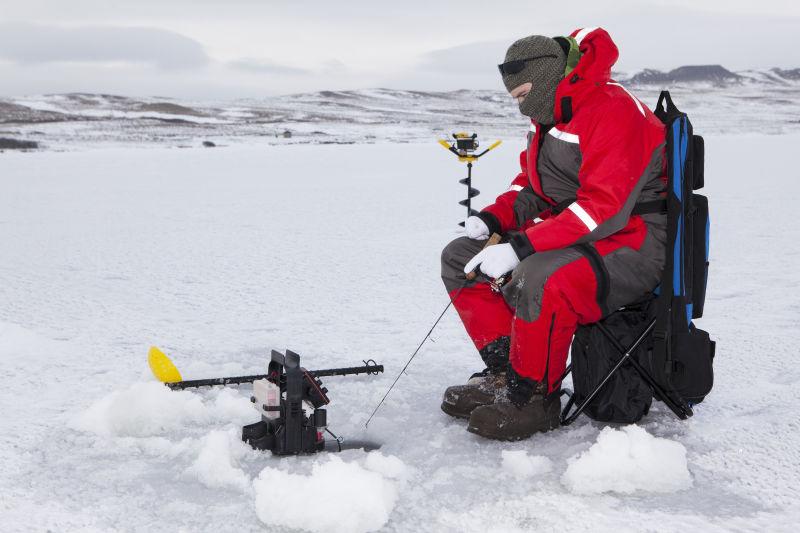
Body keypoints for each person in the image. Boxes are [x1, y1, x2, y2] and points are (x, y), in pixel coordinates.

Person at [440, 27, 668, 440]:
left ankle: (533, 398)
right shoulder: (551, 117)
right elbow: (532, 188)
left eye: (523, 92)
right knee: (460, 257)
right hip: (580, 235)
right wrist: (494, 220)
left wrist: (521, 246)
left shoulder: (613, 110)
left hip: (632, 245)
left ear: (547, 78)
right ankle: (507, 373)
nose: (521, 105)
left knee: (539, 275)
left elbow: (606, 209)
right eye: (515, 98)